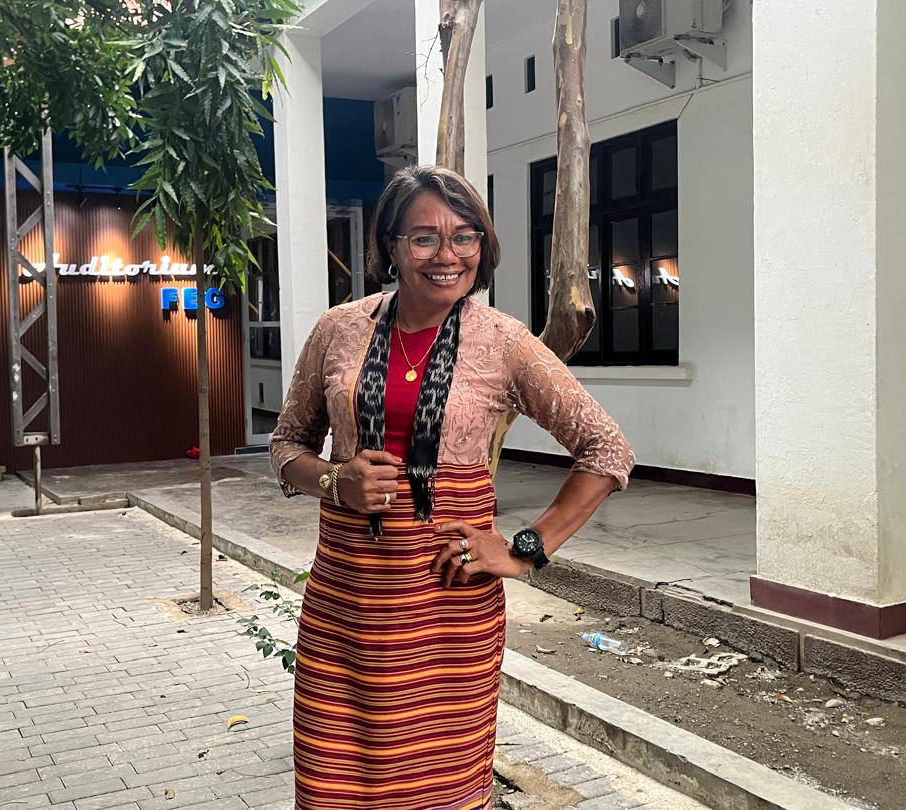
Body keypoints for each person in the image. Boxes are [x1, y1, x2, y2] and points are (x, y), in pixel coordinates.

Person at [269, 165, 635, 810]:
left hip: (448, 611)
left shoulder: (503, 342)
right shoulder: (338, 329)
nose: (447, 255)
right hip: (346, 605)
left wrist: (523, 549)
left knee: (440, 787)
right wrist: (334, 480)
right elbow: (286, 445)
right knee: (333, 784)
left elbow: (607, 451)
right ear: (389, 246)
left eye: (465, 237)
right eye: (424, 238)